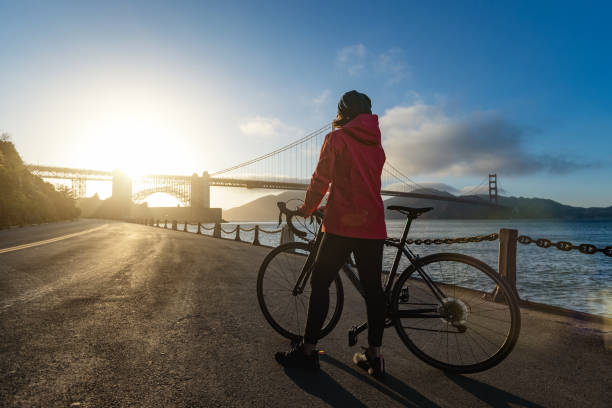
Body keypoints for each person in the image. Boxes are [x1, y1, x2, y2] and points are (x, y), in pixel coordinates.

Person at [275, 90, 387, 379]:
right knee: (373, 290)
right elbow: (363, 184)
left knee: (321, 281)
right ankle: (375, 356)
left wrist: (308, 208)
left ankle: (308, 352)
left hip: (341, 226)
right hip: (373, 225)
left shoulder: (336, 139)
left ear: (343, 112)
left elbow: (321, 179)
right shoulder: (377, 145)